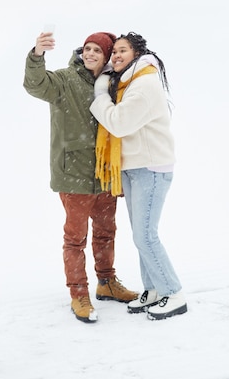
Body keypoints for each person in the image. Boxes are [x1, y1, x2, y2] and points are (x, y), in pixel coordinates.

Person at [23, 30, 138, 323]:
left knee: (106, 232)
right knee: (75, 238)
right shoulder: (64, 79)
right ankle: (78, 293)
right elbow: (35, 84)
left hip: (105, 171)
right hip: (73, 172)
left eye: (97, 51)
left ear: (107, 56)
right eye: (87, 49)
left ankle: (106, 282)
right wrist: (37, 55)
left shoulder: (113, 83)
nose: (90, 54)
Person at [89, 32, 187, 321]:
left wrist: (99, 95)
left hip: (151, 167)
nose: (116, 56)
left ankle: (173, 292)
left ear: (137, 54)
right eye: (114, 52)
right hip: (134, 167)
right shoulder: (129, 82)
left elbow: (118, 123)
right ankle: (154, 289)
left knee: (146, 236)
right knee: (140, 235)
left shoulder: (143, 84)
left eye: (123, 51)